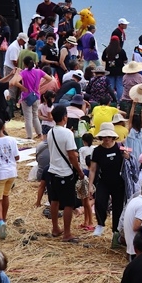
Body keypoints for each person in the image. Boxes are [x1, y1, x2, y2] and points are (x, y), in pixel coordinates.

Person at [46, 104, 85, 242]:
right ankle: (67, 233)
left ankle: (55, 228)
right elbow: (72, 156)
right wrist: (80, 171)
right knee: (69, 203)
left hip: (52, 170)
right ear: (64, 117)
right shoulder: (67, 133)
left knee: (54, 201)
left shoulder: (50, 132)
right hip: (64, 172)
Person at [89, 125, 128, 238]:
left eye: (109, 136)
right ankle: (100, 224)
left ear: (113, 137)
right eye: (104, 136)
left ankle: (116, 230)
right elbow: (92, 169)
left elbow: (130, 163)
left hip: (118, 182)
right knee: (100, 202)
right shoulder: (97, 151)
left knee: (118, 206)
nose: (107, 138)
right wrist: (90, 185)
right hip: (103, 181)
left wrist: (127, 157)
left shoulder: (120, 148)